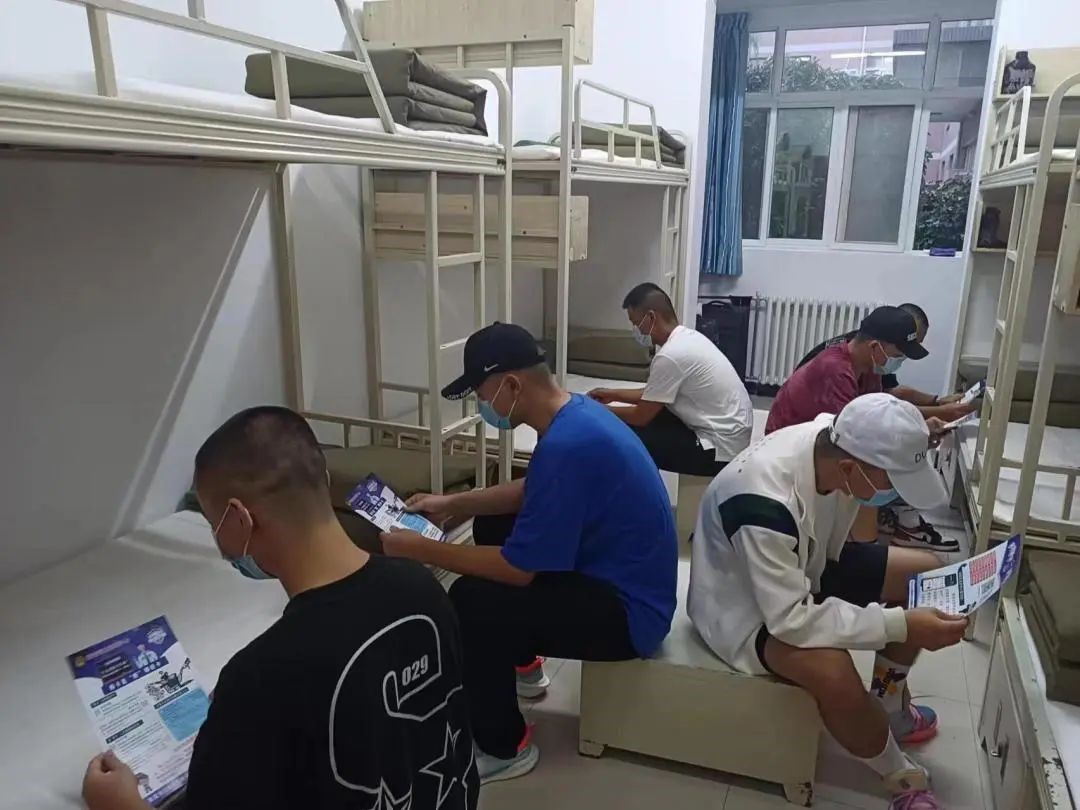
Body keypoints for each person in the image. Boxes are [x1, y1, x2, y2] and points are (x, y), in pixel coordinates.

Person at [83, 407, 477, 810]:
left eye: (213, 524)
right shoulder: (424, 588)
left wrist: (119, 804)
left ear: (240, 520)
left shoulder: (259, 676)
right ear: (324, 482)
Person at [383, 322, 677, 785]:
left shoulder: (568, 444)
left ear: (512, 385)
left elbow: (517, 571)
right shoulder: (573, 414)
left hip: (630, 613)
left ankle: (504, 748)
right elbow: (532, 490)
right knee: (493, 524)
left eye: (481, 394)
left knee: (473, 601)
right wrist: (453, 503)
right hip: (621, 575)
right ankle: (524, 666)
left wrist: (421, 548)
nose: (481, 405)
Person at [689, 394, 968, 810]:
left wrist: (914, 438)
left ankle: (888, 707)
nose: (895, 495)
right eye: (892, 483)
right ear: (850, 469)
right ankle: (901, 778)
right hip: (744, 605)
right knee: (832, 671)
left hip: (806, 561)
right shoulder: (761, 502)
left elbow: (873, 429)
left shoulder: (836, 439)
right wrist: (902, 625)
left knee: (924, 574)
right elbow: (789, 620)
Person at [765, 305, 959, 553]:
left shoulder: (868, 368)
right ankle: (867, 544)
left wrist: (920, 432)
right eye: (899, 355)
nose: (900, 362)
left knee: (895, 459)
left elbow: (877, 420)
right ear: (875, 347)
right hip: (790, 449)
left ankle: (881, 533)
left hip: (824, 438)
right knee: (873, 467)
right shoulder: (835, 370)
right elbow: (857, 441)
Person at [588, 282, 752, 476]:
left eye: (636, 323)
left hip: (719, 449)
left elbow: (641, 416)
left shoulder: (670, 355)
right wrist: (612, 394)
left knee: (623, 436)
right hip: (732, 434)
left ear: (651, 317)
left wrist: (598, 410)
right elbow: (655, 395)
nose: (636, 330)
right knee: (654, 417)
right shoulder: (688, 338)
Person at [795, 303, 975, 423]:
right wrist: (938, 412)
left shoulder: (870, 363)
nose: (902, 358)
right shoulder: (838, 367)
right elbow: (853, 425)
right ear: (875, 346)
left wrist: (936, 404)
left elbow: (884, 404)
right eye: (900, 353)